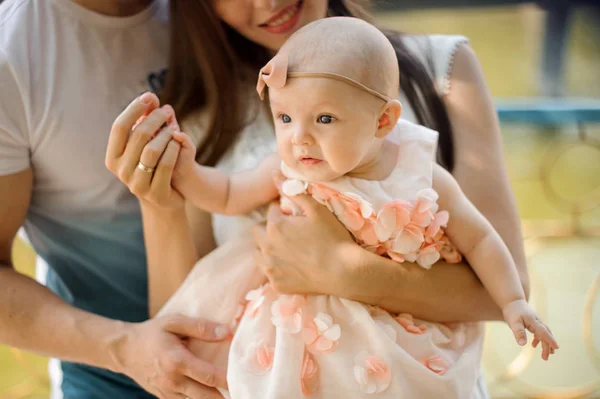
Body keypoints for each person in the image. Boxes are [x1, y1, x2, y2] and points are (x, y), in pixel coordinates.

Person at [107, 0, 534, 398]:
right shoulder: (207, 123)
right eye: (285, 118)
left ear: (384, 120)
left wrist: (345, 271)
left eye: (326, 119)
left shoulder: (440, 77)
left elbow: (502, 281)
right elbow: (185, 330)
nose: (268, 2)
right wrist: (170, 190)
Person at [0, 1, 231, 398]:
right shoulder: (13, 54)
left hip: (267, 354)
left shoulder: (220, 10)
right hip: (110, 373)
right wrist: (126, 348)